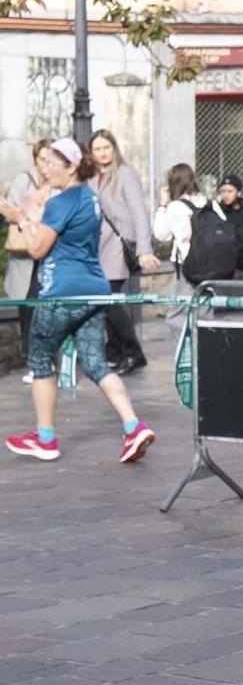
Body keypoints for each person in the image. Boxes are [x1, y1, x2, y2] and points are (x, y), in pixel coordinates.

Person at [0, 138, 154, 464]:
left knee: (40, 360)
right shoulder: (89, 198)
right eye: (43, 163)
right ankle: (133, 426)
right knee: (95, 362)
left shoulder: (63, 201)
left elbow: (38, 248)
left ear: (71, 166)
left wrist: (23, 220)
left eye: (52, 164)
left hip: (61, 292)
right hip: (94, 289)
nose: (46, 170)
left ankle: (45, 438)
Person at [90, 129, 158, 375]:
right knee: (103, 300)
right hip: (99, 248)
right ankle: (116, 351)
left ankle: (133, 351)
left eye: (106, 147)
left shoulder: (125, 173)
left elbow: (139, 211)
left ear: (114, 148)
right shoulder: (91, 178)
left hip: (119, 246)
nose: (102, 153)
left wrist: (144, 249)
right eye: (97, 149)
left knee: (109, 298)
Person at [4, 139, 51, 378]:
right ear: (35, 159)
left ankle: (45, 358)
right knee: (29, 306)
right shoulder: (25, 180)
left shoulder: (58, 183)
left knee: (47, 306)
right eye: (42, 158)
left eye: (50, 158)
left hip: (50, 252)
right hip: (26, 255)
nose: (46, 164)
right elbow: (8, 210)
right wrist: (27, 216)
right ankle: (34, 358)